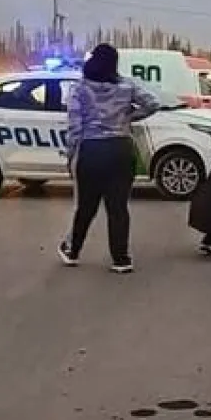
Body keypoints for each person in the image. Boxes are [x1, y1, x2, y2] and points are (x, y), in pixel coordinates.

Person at [57, 43, 161, 272]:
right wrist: (129, 117)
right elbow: (154, 103)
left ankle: (73, 251)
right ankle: (121, 259)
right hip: (121, 149)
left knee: (86, 205)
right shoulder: (126, 85)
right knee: (118, 207)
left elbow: (74, 127)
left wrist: (71, 155)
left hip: (92, 150)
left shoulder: (79, 89)